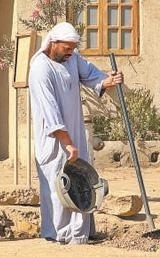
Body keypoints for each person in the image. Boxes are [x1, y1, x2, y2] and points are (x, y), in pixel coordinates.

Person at [28, 22, 123, 245]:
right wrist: (67, 142)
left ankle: (81, 233)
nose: (70, 52)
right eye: (66, 48)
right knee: (58, 186)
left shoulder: (72, 58)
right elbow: (49, 111)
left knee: (81, 182)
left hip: (75, 134)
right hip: (54, 140)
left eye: (73, 48)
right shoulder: (41, 69)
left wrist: (108, 80)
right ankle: (59, 234)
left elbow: (91, 74)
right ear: (53, 43)